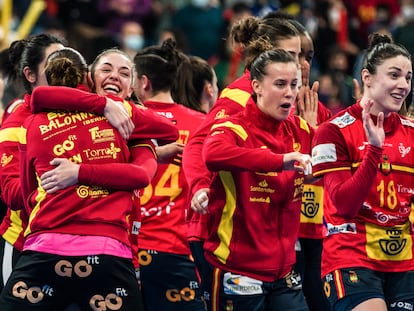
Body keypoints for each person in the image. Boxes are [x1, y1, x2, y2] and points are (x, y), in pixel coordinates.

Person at [0, 45, 158, 310]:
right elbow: (15, 194)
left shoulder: (129, 121)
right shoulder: (27, 119)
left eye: (124, 72)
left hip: (114, 247)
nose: (114, 77)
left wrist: (78, 173)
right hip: (38, 241)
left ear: (133, 86)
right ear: (90, 78)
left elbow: (142, 173)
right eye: (106, 69)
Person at [182, 16, 303, 308]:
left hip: (277, 243)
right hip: (229, 237)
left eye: (302, 56)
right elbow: (200, 145)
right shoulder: (239, 95)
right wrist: (200, 186)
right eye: (293, 54)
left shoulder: (291, 98)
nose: (301, 62)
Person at [202, 47, 312, 311]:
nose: (289, 92)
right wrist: (280, 160)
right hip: (237, 271)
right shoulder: (232, 127)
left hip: (285, 272)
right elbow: (211, 154)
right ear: (257, 86)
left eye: (294, 85)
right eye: (280, 84)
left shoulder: (303, 130)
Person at [311, 33, 414, 310]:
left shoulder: (412, 133)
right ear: (367, 78)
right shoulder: (331, 131)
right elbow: (343, 205)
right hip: (350, 256)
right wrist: (375, 151)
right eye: (394, 75)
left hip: (403, 261)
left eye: (408, 77)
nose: (403, 85)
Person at [133, 38, 206, 311]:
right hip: (177, 248)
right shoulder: (200, 123)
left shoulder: (126, 119)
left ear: (142, 82)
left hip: (130, 247)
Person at [0, 34, 65, 294]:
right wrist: (59, 185)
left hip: (73, 247)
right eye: (54, 62)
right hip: (23, 246)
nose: (64, 68)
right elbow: (11, 193)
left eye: (67, 60)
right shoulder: (17, 122)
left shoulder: (89, 113)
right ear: (30, 74)